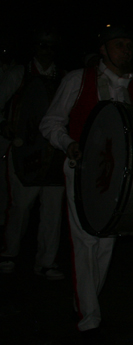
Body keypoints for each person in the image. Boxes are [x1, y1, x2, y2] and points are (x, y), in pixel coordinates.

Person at [39, 26, 133, 338]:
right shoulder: (77, 79)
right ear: (103, 49)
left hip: (120, 177)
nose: (125, 50)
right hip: (83, 170)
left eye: (129, 44)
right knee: (86, 241)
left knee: (106, 242)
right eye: (118, 44)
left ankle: (85, 302)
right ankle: (89, 317)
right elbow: (51, 122)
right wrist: (69, 143)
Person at [0, 31, 65, 279]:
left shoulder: (64, 77)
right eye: (42, 45)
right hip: (25, 149)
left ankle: (46, 261)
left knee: (52, 210)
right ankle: (9, 253)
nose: (46, 50)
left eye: (51, 46)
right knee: (21, 205)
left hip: (54, 152)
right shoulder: (19, 74)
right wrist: (4, 123)